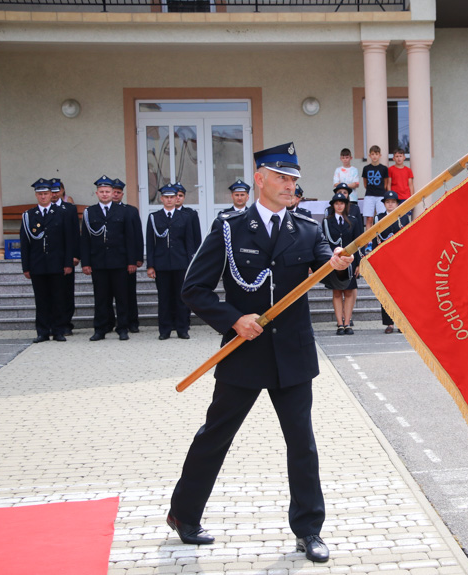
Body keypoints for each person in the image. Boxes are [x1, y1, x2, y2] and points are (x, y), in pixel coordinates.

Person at [169, 142, 354, 564]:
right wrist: (234, 319)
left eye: (294, 179)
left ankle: (308, 530)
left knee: (302, 445)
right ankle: (184, 514)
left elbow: (327, 265)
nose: (292, 185)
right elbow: (193, 288)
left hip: (292, 355)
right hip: (244, 352)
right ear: (260, 179)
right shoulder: (230, 228)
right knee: (215, 436)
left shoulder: (307, 228)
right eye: (284, 178)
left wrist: (339, 262)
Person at [80, 176, 139, 341]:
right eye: (102, 192)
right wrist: (86, 262)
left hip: (119, 261)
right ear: (97, 193)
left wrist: (131, 261)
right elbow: (85, 239)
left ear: (113, 193)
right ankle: (100, 328)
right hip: (98, 262)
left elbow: (129, 237)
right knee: (101, 298)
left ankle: (122, 328)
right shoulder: (89, 212)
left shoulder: (123, 211)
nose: (105, 194)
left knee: (122, 297)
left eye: (108, 191)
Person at [20, 179, 73, 343]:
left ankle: (58, 331)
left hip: (57, 263)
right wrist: (26, 266)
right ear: (36, 195)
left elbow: (68, 240)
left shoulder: (61, 213)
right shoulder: (29, 215)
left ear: (52, 195)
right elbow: (25, 243)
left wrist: (67, 263)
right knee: (41, 300)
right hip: (38, 264)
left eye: (46, 194)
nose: (43, 197)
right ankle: (42, 332)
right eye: (40, 194)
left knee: (58, 298)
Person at [147, 184, 196, 340]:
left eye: (172, 197)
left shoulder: (185, 217)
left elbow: (189, 243)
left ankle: (182, 329)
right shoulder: (154, 217)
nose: (169, 200)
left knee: (181, 298)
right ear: (161, 199)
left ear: (177, 199)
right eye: (166, 197)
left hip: (181, 263)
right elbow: (150, 243)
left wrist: (191, 265)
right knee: (164, 299)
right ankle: (164, 330)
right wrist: (150, 265)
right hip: (161, 264)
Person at [323, 191, 363, 335]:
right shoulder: (327, 221)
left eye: (342, 203)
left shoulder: (353, 220)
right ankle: (340, 324)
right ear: (333, 205)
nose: (339, 206)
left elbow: (359, 242)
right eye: (336, 203)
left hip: (350, 261)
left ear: (346, 205)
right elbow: (324, 242)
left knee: (349, 292)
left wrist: (359, 263)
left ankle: (348, 323)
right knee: (337, 292)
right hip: (334, 261)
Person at [375, 190, 410, 332]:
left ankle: (402, 322)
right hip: (385, 259)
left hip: (400, 260)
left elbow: (408, 238)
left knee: (402, 293)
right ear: (384, 204)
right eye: (388, 202)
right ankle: (389, 323)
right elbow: (375, 239)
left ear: (397, 204)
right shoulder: (379, 218)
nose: (390, 204)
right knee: (386, 291)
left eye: (393, 202)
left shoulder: (403, 217)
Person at [112, 178, 143, 333]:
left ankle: (132, 321)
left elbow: (136, 235)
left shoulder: (130, 210)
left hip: (128, 259)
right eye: (113, 192)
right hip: (112, 260)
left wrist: (138, 258)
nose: (115, 195)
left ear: (122, 194)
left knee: (129, 293)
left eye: (118, 193)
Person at [49, 177, 79, 335]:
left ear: (62, 191)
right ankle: (52, 322)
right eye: (51, 191)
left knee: (67, 291)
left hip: (67, 257)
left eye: (57, 191)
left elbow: (75, 233)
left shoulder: (69, 209)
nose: (54, 194)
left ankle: (66, 322)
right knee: (51, 292)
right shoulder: (44, 209)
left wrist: (75, 255)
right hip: (49, 258)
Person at [361, 144, 389, 229]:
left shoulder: (384, 168)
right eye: (372, 154)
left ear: (380, 155)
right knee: (369, 218)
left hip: (381, 195)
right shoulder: (366, 168)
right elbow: (365, 183)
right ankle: (369, 241)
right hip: (369, 195)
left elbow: (385, 183)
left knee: (381, 218)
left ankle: (381, 238)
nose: (374, 156)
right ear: (369, 155)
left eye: (376, 154)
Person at [174, 182, 203, 249]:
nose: (178, 198)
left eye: (180, 195)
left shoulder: (191, 214)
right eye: (175, 195)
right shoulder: (166, 214)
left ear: (184, 198)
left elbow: (197, 238)